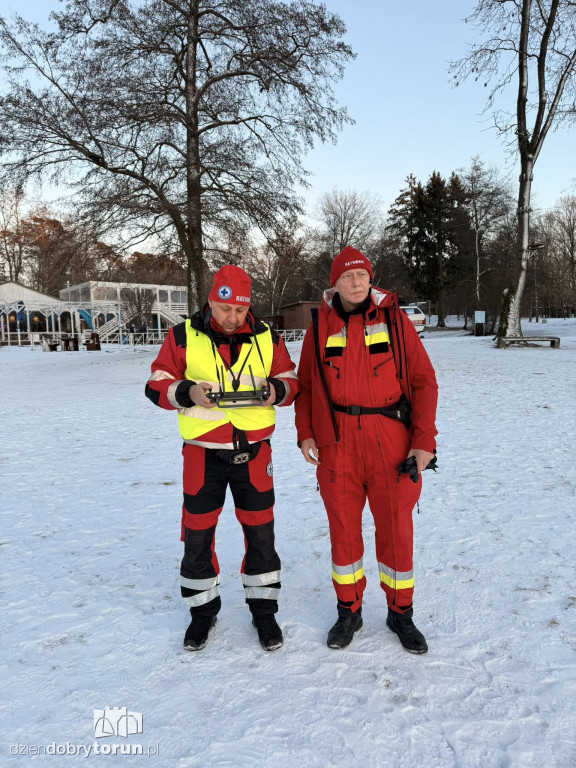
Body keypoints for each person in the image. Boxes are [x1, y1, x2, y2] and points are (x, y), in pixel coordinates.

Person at [145, 265, 299, 652]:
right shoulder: (181, 336)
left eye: (240, 311)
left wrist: (277, 390)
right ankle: (202, 614)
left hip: (254, 451)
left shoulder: (268, 336)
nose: (232, 319)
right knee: (197, 536)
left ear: (249, 307)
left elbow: (294, 382)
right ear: (212, 300)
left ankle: (264, 613)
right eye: (225, 309)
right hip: (202, 454)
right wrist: (186, 392)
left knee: (261, 534)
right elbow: (155, 384)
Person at [295, 246, 438, 653]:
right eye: (347, 277)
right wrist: (306, 433)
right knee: (343, 528)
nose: (356, 284)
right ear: (334, 283)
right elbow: (305, 386)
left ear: (370, 279)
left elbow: (425, 382)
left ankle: (401, 613)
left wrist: (423, 440)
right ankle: (348, 611)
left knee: (396, 528)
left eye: (362, 276)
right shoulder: (318, 327)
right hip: (337, 440)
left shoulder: (395, 320)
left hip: (389, 437)